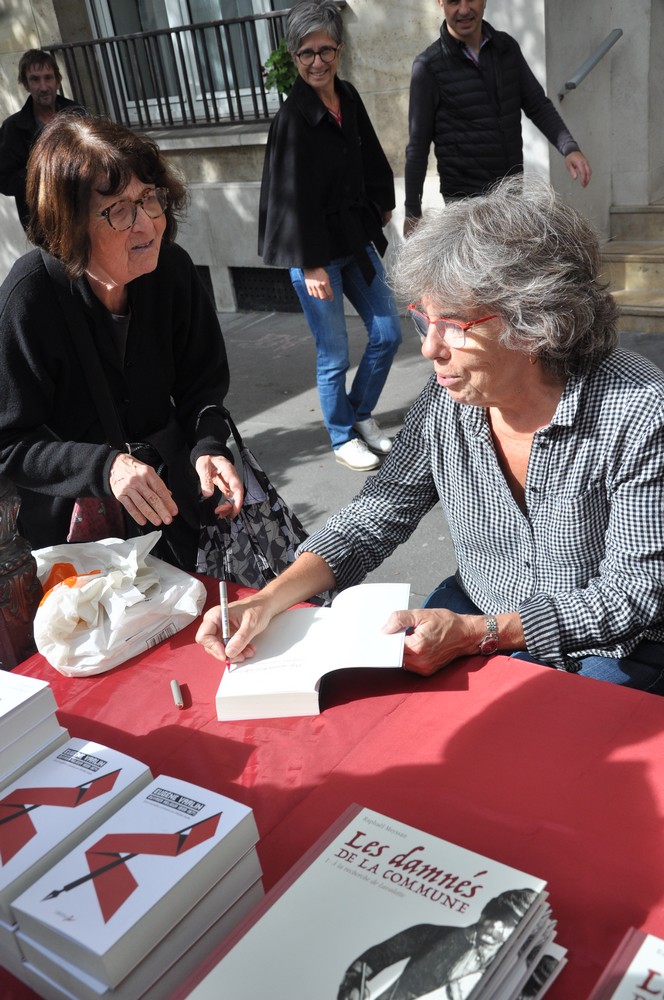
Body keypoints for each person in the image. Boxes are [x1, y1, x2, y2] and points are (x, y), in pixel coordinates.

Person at [196, 174, 664, 691]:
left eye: (456, 326)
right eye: (424, 319)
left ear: (536, 324)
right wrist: (268, 599)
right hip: (477, 609)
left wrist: (479, 634)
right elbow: (375, 515)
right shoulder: (447, 403)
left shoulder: (639, 411)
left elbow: (633, 592)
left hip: (613, 648)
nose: (429, 348)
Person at [0, 114, 243, 571]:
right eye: (119, 210)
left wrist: (209, 446)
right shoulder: (29, 296)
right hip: (81, 547)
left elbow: (202, 387)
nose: (148, 224)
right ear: (69, 221)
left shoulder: (171, 271)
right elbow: (8, 442)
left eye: (149, 198)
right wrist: (104, 467)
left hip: (174, 514)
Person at [258, 0, 402, 472]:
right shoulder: (290, 121)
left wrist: (381, 201)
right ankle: (341, 435)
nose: (317, 61)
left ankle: (358, 415)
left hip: (354, 240)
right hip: (317, 255)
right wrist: (310, 262)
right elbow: (285, 200)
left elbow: (369, 154)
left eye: (326, 50)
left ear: (339, 50)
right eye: (306, 53)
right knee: (334, 353)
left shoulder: (350, 97)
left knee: (388, 332)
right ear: (294, 57)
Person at [403, 0, 591, 236]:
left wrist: (569, 147)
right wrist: (412, 210)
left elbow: (536, 103)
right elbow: (418, 145)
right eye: (453, 1)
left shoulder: (506, 48)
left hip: (511, 194)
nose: (463, 10)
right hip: (465, 204)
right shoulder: (428, 66)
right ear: (440, 3)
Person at [336, 889, 537, 1000]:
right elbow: (378, 956)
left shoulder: (514, 969)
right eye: (496, 916)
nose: (496, 926)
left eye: (510, 924)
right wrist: (353, 984)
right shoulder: (430, 933)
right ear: (485, 912)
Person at [0, 49, 85, 230]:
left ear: (58, 81)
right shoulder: (13, 128)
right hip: (43, 225)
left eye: (48, 78)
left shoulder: (77, 114)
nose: (43, 86)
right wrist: (42, 173)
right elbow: (4, 181)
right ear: (25, 84)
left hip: (81, 214)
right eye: (35, 79)